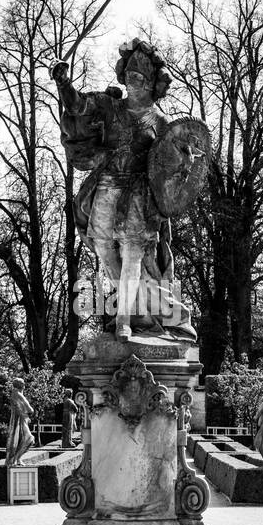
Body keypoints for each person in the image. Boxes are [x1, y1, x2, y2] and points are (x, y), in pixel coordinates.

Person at [51, 38, 197, 342]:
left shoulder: (162, 122)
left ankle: (123, 321)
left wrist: (182, 166)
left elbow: (174, 168)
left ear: (153, 84)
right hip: (106, 185)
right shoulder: (108, 106)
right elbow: (77, 105)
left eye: (139, 78)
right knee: (103, 247)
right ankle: (128, 304)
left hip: (139, 195)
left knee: (132, 253)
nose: (133, 82)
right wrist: (63, 83)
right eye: (129, 75)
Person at [6, 378, 34, 467]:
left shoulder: (15, 394)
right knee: (29, 439)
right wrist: (28, 411)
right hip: (19, 420)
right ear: (21, 385)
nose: (25, 385)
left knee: (21, 440)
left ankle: (16, 459)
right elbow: (30, 409)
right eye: (23, 384)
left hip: (18, 419)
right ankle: (16, 459)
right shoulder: (18, 394)